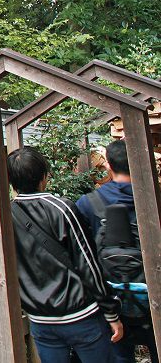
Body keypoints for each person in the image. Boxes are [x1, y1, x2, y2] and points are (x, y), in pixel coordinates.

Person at [7, 147, 123, 363]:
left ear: (12, 181)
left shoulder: (6, 215)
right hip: (80, 315)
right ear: (44, 176)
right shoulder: (61, 209)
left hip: (41, 320)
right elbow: (88, 263)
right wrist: (110, 311)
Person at [77, 140, 158, 363]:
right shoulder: (154, 200)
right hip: (155, 298)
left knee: (120, 356)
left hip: (111, 302)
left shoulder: (87, 203)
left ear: (109, 167)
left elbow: (81, 256)